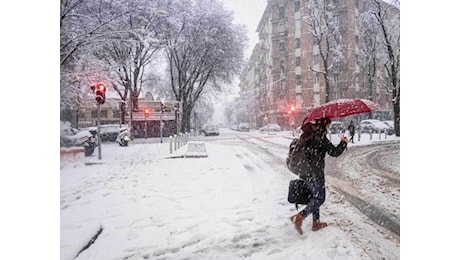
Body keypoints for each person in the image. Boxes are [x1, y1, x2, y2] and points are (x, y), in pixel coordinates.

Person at [290, 117, 348, 235]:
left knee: (314, 197)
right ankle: (300, 217)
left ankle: (316, 222)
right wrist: (343, 142)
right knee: (320, 198)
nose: (329, 127)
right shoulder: (320, 137)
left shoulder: (308, 135)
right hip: (315, 173)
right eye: (328, 125)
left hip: (305, 172)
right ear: (324, 124)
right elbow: (334, 152)